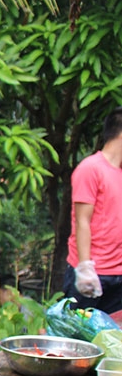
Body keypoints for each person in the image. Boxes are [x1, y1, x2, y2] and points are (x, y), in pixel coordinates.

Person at [64, 106, 122, 314]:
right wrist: (85, 268)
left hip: (118, 274)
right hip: (91, 275)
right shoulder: (91, 168)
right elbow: (82, 221)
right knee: (79, 342)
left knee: (113, 341)